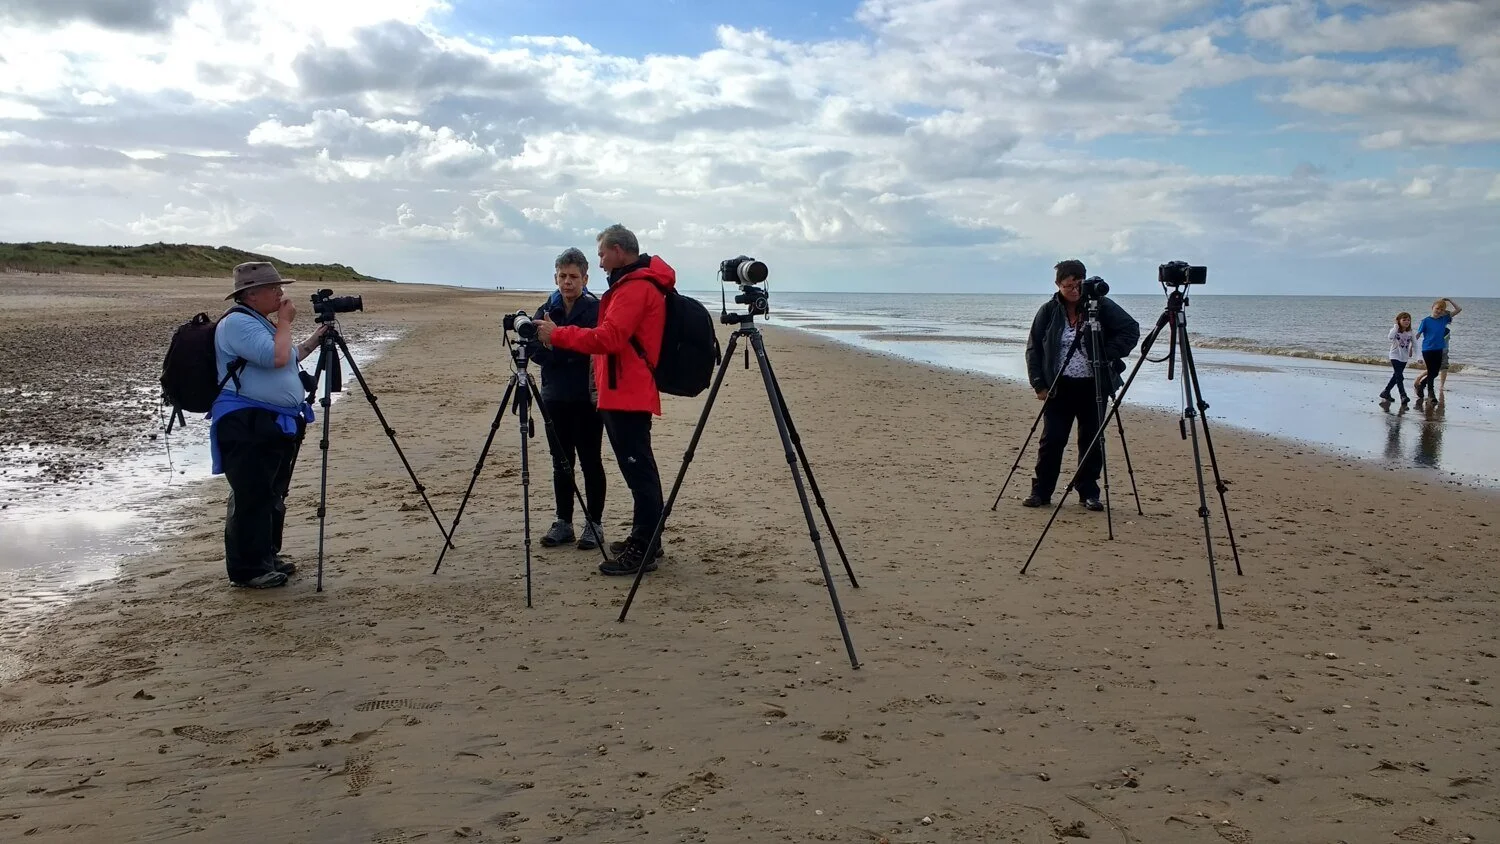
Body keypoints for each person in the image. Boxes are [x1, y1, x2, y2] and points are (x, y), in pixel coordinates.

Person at [536, 224, 671, 576]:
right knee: (637, 469)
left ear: (618, 250)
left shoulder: (635, 286)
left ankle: (644, 548)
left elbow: (609, 338)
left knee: (638, 471)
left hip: (626, 390)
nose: (599, 264)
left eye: (600, 255)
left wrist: (558, 336)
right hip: (618, 389)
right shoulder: (631, 284)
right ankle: (645, 540)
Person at [210, 262, 325, 588]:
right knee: (252, 495)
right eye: (274, 288)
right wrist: (285, 322)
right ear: (251, 294)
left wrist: (315, 340)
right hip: (246, 422)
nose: (280, 293)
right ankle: (249, 570)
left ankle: (266, 556)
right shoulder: (238, 324)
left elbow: (288, 356)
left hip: (271, 421)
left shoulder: (259, 322)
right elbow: (275, 357)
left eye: (280, 287)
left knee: (272, 492)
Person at [1022, 259, 1140, 510]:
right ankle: (1041, 492)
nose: (1075, 290)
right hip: (1058, 386)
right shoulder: (1048, 311)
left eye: (1078, 284)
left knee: (1092, 441)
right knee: (1051, 440)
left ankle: (1089, 492)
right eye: (1068, 285)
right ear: (1058, 286)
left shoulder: (1101, 306)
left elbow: (1131, 330)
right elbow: (1034, 349)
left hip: (1094, 386)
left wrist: (1106, 353)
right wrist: (1038, 384)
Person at [527, 247, 607, 551]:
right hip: (554, 396)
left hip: (587, 399)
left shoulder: (596, 309)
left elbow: (594, 347)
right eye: (563, 276)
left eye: (574, 276)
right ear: (555, 277)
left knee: (590, 461)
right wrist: (559, 347)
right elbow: (535, 350)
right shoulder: (546, 309)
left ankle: (594, 524)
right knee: (560, 462)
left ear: (585, 278)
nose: (568, 282)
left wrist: (557, 341)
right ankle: (563, 522)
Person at [1413, 298, 1461, 404]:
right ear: (1432, 308)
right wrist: (1412, 348)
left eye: (1441, 309)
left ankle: (1422, 385)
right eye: (1437, 308)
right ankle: (1431, 394)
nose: (1439, 310)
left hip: (1439, 349)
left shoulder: (1443, 319)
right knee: (1431, 371)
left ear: (1443, 311)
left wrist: (1450, 300)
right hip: (1427, 349)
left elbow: (1459, 309)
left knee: (1435, 372)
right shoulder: (1425, 321)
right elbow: (1417, 335)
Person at [1380, 311, 1414, 404]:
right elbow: (1390, 337)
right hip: (1394, 355)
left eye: (1408, 320)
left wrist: (1418, 356)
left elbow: (1415, 344)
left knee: (1396, 376)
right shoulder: (1395, 330)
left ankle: (1386, 392)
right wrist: (1396, 326)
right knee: (1399, 376)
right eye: (1404, 320)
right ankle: (1403, 395)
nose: (1407, 322)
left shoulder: (1410, 332)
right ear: (1399, 320)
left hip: (1404, 357)